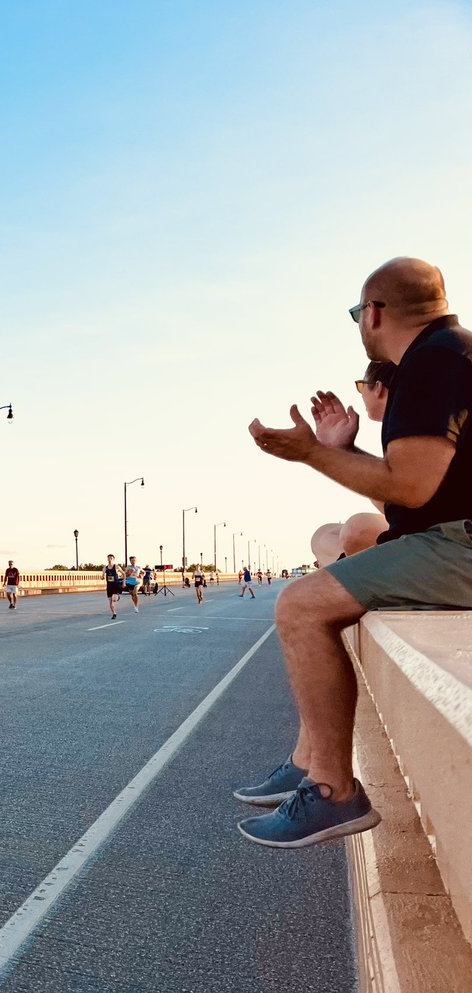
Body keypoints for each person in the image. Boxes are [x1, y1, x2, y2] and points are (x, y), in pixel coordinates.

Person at [241, 256, 472, 848]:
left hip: (460, 547)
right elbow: (416, 487)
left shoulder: (431, 362)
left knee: (300, 606)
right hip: (449, 535)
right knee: (331, 574)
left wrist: (311, 454)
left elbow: (411, 487)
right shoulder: (450, 353)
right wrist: (345, 450)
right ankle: (312, 762)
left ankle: (332, 792)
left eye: (357, 313)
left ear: (373, 312)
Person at [309, 361, 396, 567]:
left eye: (361, 386)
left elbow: (400, 499)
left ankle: (343, 572)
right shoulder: (398, 427)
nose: (361, 394)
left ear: (379, 388)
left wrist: (329, 453)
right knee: (323, 534)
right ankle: (345, 567)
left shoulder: (411, 428)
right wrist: (344, 450)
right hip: (420, 525)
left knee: (358, 527)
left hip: (438, 534)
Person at [103, 555, 123, 619]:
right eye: (109, 558)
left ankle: (117, 596)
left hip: (116, 585)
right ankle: (114, 613)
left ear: (113, 559)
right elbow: (102, 576)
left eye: (111, 558)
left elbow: (124, 574)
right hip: (109, 586)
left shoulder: (116, 567)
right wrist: (102, 577)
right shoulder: (105, 568)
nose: (110, 559)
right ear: (107, 559)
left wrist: (124, 582)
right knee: (110, 604)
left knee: (114, 599)